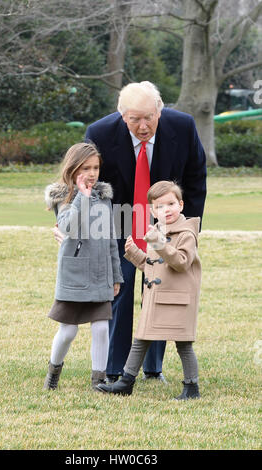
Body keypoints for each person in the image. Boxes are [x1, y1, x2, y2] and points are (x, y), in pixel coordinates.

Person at [54, 81, 206, 383]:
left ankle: (153, 369)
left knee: (161, 291)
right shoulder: (99, 132)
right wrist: (64, 221)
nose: (143, 125)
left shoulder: (184, 126)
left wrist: (186, 227)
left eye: (149, 116)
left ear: (160, 110)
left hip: (165, 224)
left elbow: (196, 177)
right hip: (116, 223)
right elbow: (81, 179)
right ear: (121, 115)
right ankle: (114, 371)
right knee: (119, 292)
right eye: (135, 118)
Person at [97, 181, 201, 399]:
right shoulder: (158, 231)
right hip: (157, 298)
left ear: (181, 205)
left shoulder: (186, 234)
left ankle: (191, 387)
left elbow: (181, 262)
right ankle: (126, 382)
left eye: (171, 204)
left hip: (177, 300)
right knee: (141, 339)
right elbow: (155, 268)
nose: (167, 210)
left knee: (183, 344)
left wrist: (159, 242)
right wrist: (135, 254)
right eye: (160, 207)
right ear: (153, 211)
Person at [43, 142, 123, 391]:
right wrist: (82, 198)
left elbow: (111, 239)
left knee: (100, 328)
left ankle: (98, 381)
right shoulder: (62, 196)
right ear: (73, 167)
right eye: (86, 167)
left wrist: (116, 275)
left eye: (96, 167)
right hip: (75, 274)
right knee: (68, 332)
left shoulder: (104, 197)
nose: (91, 173)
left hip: (101, 274)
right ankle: (53, 374)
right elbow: (67, 227)